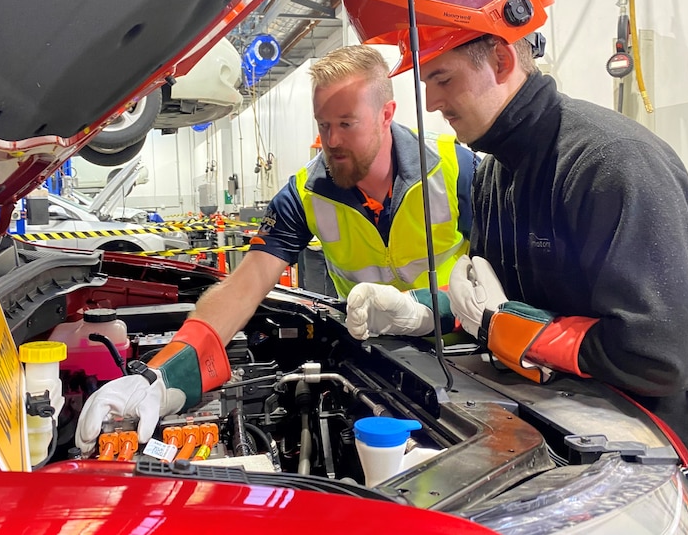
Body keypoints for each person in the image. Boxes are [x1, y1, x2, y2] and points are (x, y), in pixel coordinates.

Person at [344, 0, 688, 521]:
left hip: (650, 470)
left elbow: (661, 354)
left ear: (499, 57)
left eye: (441, 79)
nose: (434, 102)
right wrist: (421, 311)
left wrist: (506, 326)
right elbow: (495, 299)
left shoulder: (609, 164)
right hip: (562, 443)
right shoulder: (496, 172)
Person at [74, 44, 479, 454]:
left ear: (386, 114)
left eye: (346, 123)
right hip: (375, 366)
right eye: (323, 125)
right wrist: (161, 377)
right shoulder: (305, 194)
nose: (332, 141)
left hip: (465, 364)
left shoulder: (454, 170)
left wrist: (425, 310)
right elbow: (243, 287)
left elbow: (498, 284)